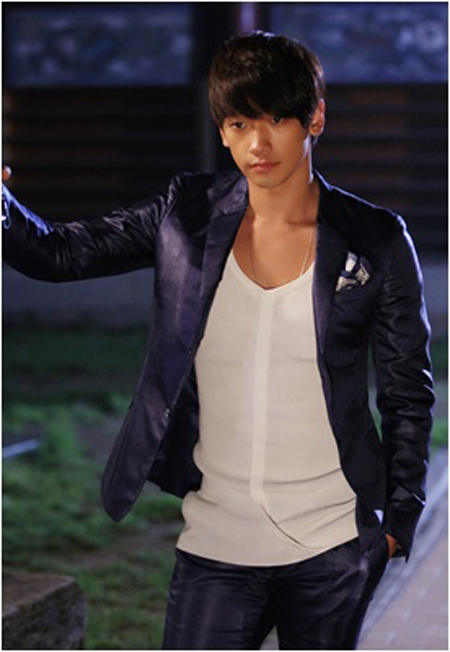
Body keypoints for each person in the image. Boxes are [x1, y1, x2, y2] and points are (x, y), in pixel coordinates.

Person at [2, 31, 434, 650]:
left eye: (276, 119)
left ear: (315, 118)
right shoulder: (186, 214)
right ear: (223, 130)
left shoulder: (376, 238)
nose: (257, 143)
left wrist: (399, 522)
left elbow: (407, 392)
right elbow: (59, 253)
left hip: (333, 543)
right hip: (217, 544)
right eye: (238, 123)